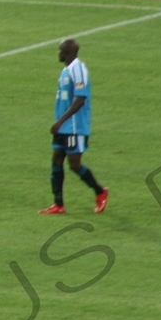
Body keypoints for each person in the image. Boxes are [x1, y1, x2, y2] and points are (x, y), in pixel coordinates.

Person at [40, 38, 108, 215]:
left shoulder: (78, 69)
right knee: (56, 160)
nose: (58, 53)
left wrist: (61, 121)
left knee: (74, 165)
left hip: (75, 127)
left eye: (60, 50)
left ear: (67, 52)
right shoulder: (66, 70)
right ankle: (58, 204)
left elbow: (80, 99)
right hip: (63, 127)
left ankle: (100, 192)